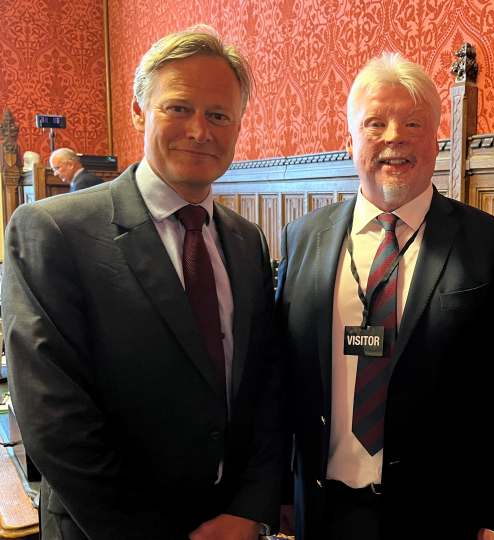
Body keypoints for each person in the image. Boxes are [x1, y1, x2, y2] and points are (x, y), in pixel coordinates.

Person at [3, 27, 286, 540]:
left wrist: (250, 510)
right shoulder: (52, 231)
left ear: (239, 124)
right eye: (178, 108)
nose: (201, 131)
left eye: (219, 114)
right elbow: (54, 419)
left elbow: (265, 386)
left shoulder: (247, 242)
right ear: (138, 111)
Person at [275, 53, 494, 540]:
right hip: (322, 509)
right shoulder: (302, 238)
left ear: (438, 140)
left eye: (413, 122)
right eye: (374, 123)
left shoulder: (489, 244)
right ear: (350, 140)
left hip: (442, 515)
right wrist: (276, 495)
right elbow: (278, 379)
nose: (394, 136)